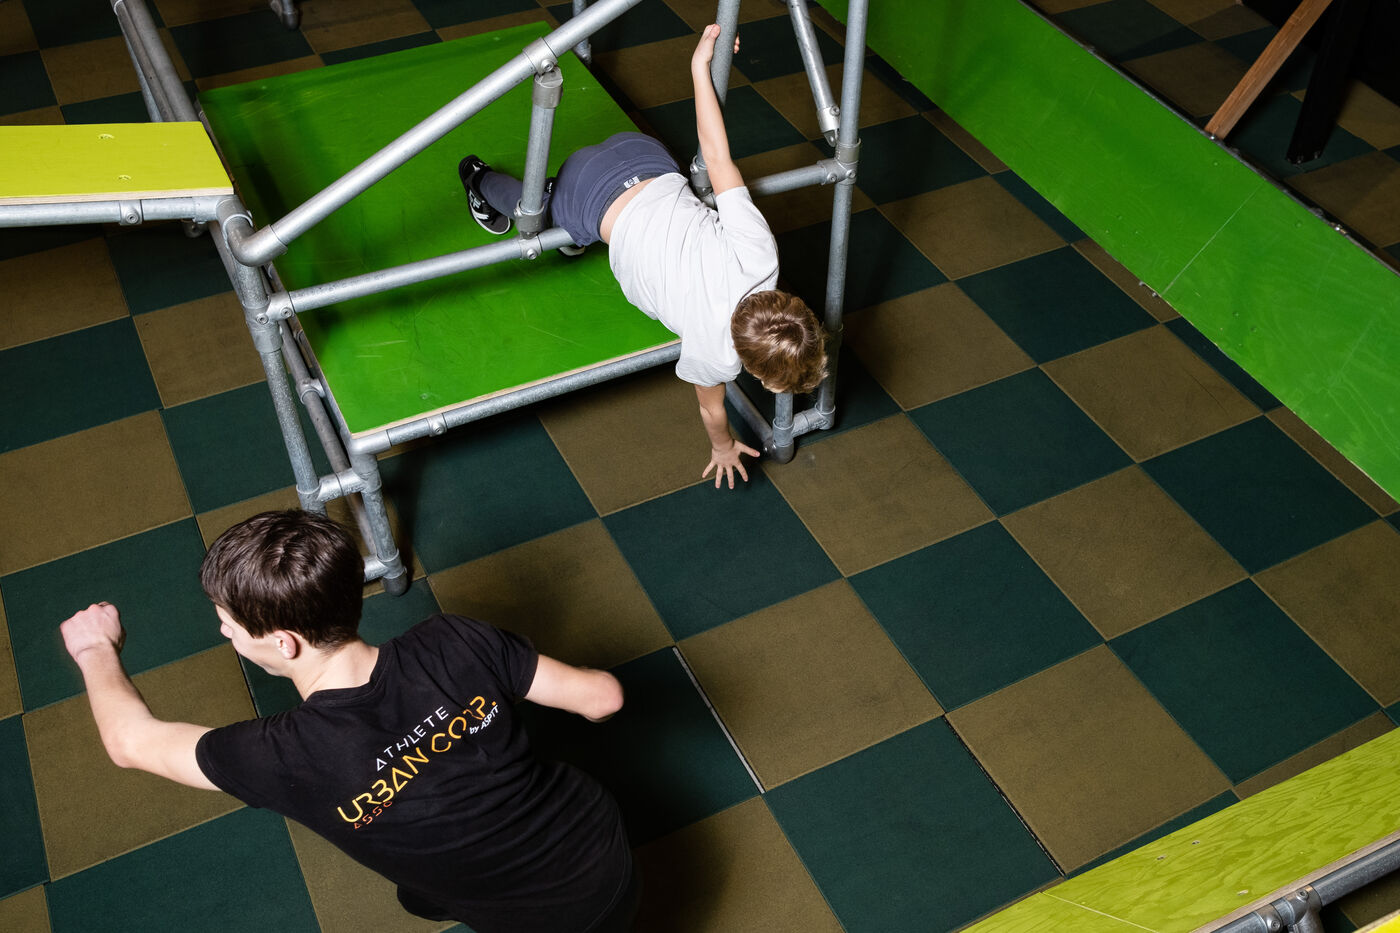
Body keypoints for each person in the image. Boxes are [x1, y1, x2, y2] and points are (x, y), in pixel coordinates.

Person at [59, 509, 637, 933]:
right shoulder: (453, 638)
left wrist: (93, 649)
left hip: (544, 922)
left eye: (229, 624)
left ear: (284, 643)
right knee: (425, 888)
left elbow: (129, 741)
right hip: (606, 850)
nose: (223, 631)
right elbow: (604, 699)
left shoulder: (281, 756)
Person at [460, 24, 828, 489]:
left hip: (644, 153)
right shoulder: (714, 353)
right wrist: (721, 447)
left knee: (581, 234)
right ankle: (478, 179)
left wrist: (699, 67)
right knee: (535, 218)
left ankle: (562, 197)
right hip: (589, 193)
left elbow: (718, 158)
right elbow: (711, 410)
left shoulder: (763, 256)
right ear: (755, 372)